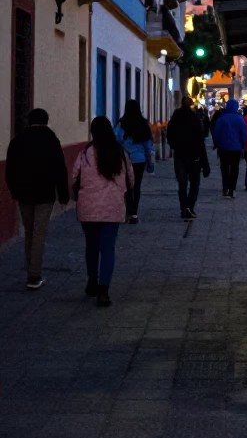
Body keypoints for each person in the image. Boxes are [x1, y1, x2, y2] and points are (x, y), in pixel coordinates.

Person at [5, 108, 70, 290]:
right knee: (39, 232)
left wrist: (14, 190)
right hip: (44, 193)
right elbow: (60, 168)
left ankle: (30, 267)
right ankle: (34, 275)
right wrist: (63, 194)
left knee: (29, 231)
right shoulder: (51, 140)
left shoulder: (17, 141)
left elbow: (10, 169)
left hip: (24, 193)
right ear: (46, 121)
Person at [72, 116, 134, 307]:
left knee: (91, 246)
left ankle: (92, 282)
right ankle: (104, 291)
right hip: (112, 208)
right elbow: (130, 179)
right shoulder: (120, 154)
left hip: (88, 208)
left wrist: (78, 197)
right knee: (108, 249)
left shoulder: (84, 154)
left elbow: (74, 178)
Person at [167, 96, 211, 219]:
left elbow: (169, 134)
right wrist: (205, 163)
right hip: (194, 156)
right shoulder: (194, 118)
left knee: (182, 183)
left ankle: (184, 207)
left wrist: (174, 146)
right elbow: (200, 140)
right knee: (194, 183)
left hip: (180, 155)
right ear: (191, 104)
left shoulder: (175, 117)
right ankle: (190, 206)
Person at [114, 100, 154, 223]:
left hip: (125, 159)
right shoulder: (144, 124)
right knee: (137, 185)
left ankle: (129, 210)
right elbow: (148, 145)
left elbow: (116, 139)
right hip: (139, 160)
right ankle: (134, 213)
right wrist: (149, 160)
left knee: (126, 185)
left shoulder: (121, 125)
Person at [212, 98, 247, 198]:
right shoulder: (240, 119)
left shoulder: (221, 119)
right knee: (235, 168)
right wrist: (243, 145)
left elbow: (216, 133)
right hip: (236, 148)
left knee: (224, 168)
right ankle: (233, 189)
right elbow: (244, 134)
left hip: (223, 148)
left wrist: (217, 143)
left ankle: (225, 188)